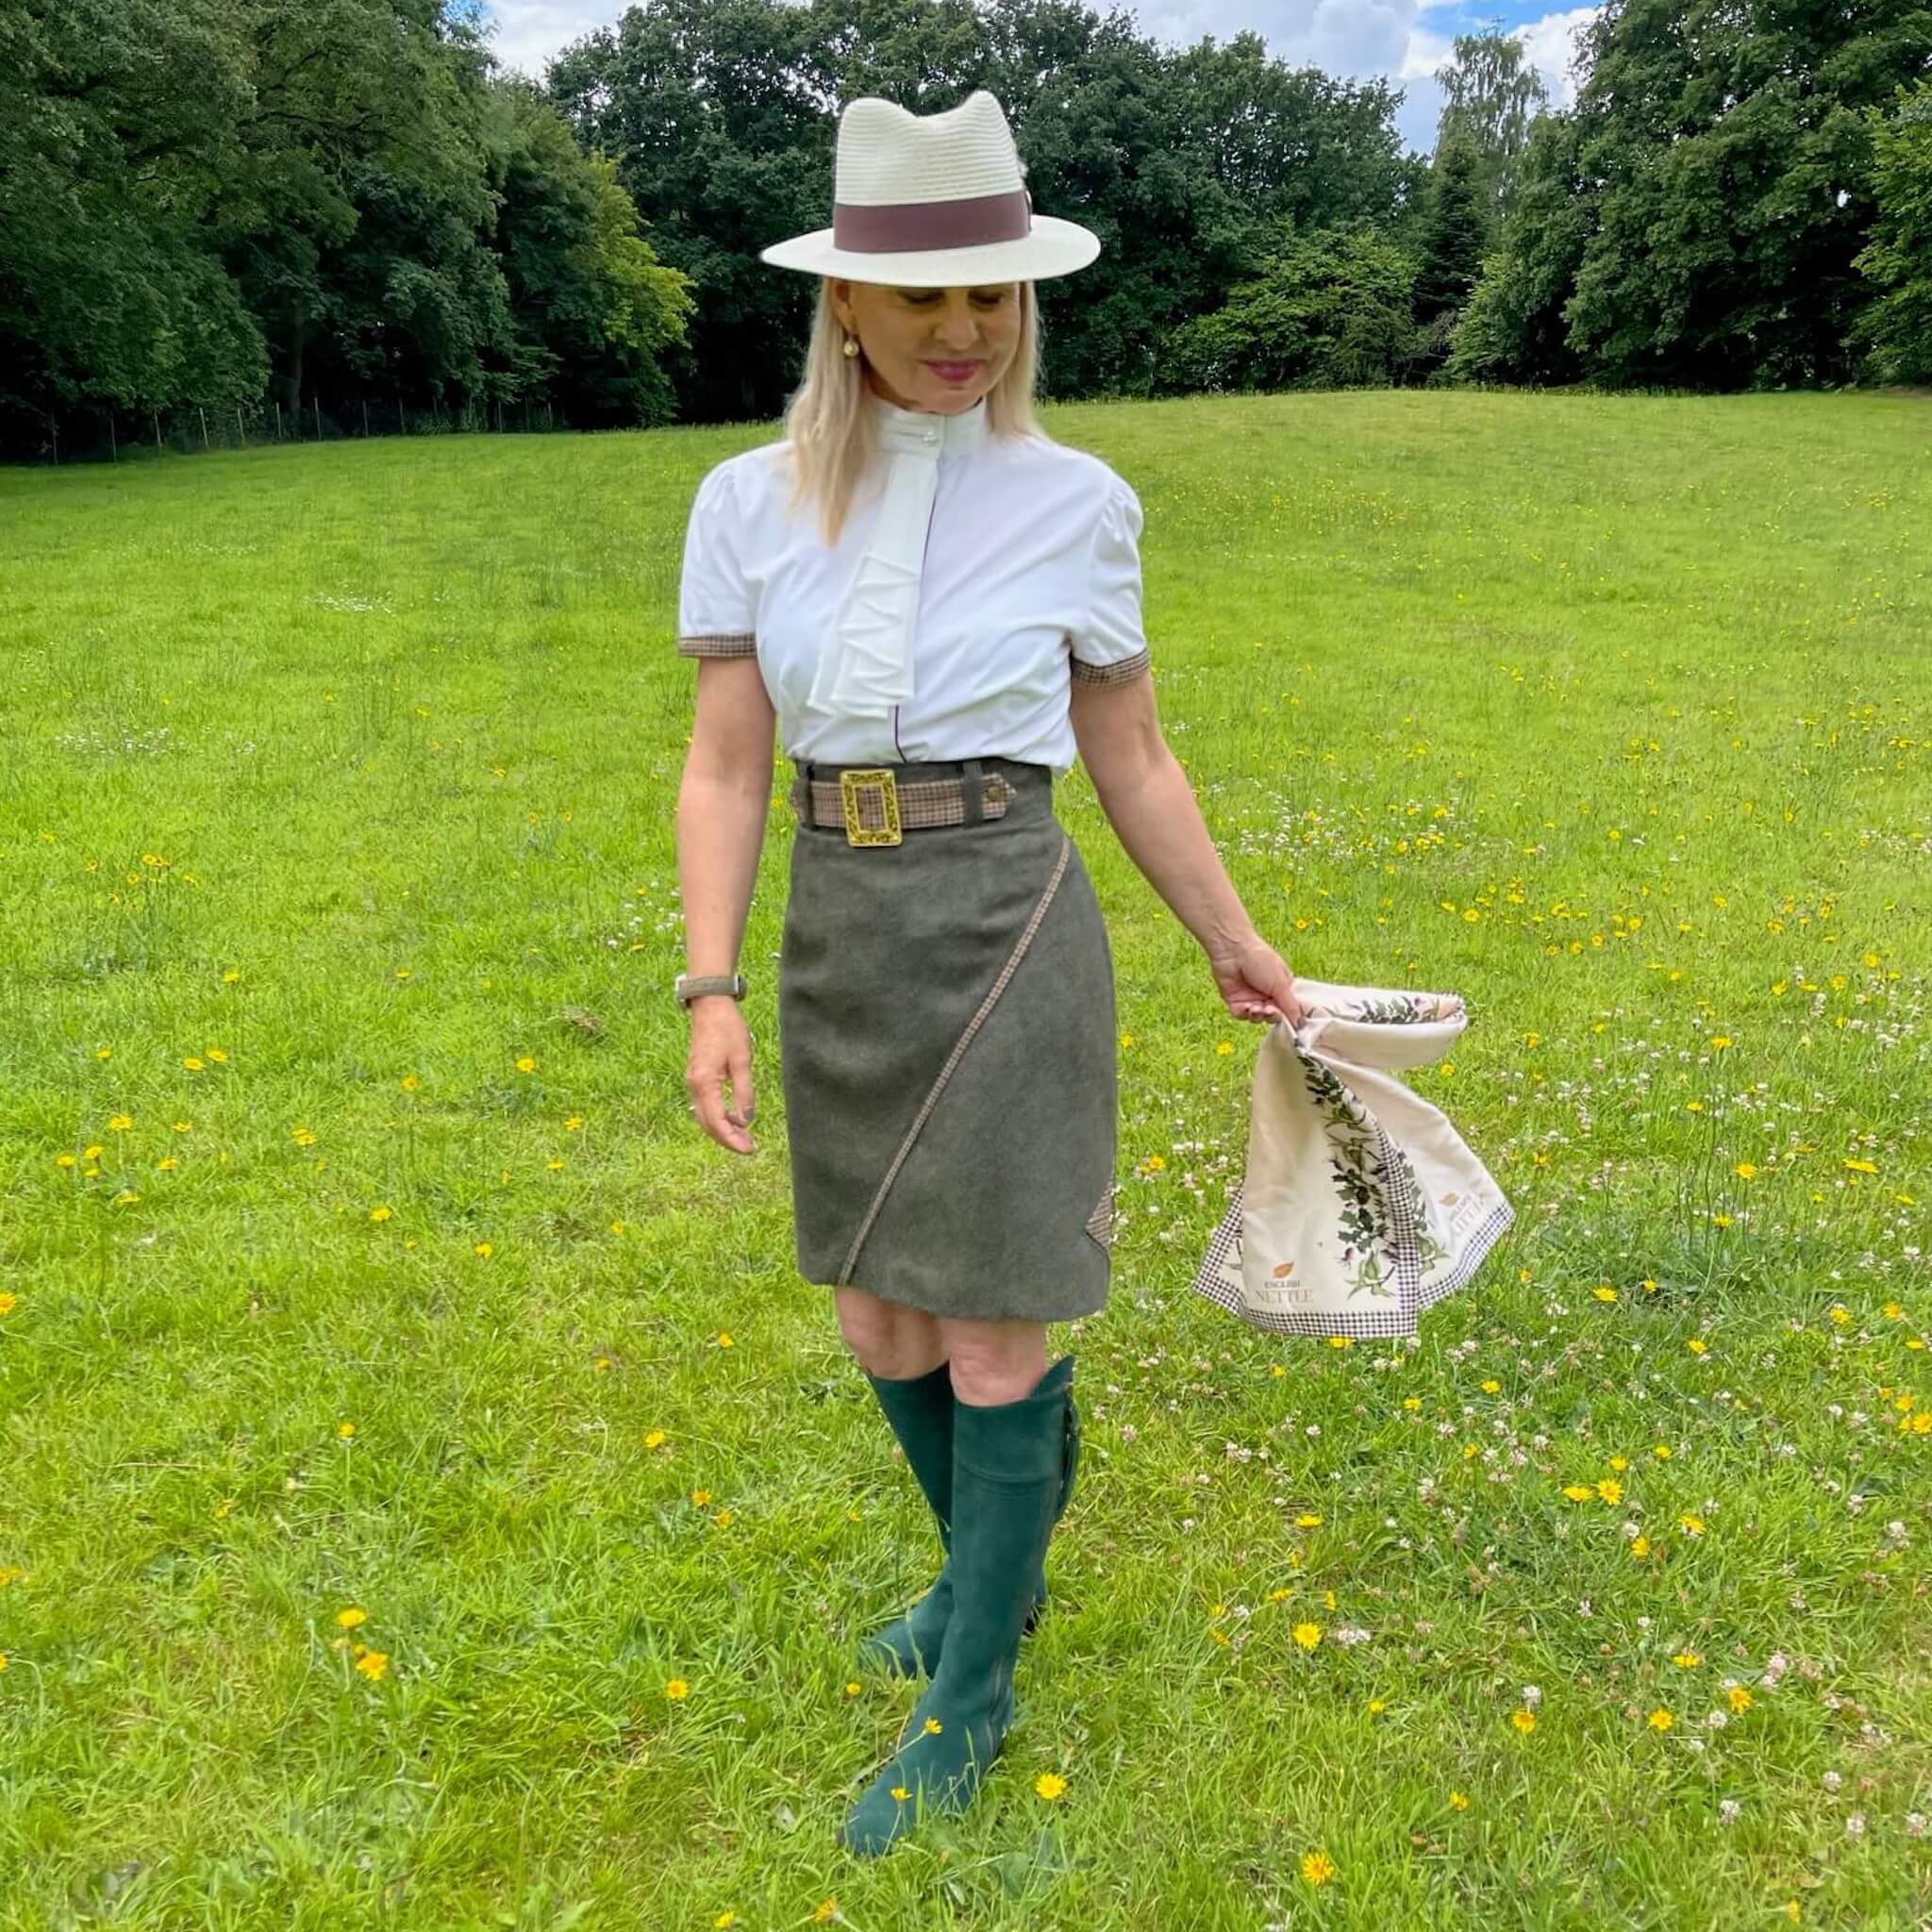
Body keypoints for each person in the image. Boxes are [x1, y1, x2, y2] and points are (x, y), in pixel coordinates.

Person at [671, 89, 1307, 1857]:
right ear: (846, 303)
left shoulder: (1079, 502)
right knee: (879, 1311)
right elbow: (725, 764)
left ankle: (970, 1687)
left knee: (991, 1318)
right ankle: (985, 1580)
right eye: (925, 295)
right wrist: (710, 988)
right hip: (840, 924)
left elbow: (1134, 750)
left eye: (994, 294)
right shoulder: (741, 503)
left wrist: (1235, 940)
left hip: (1008, 910)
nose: (964, 329)